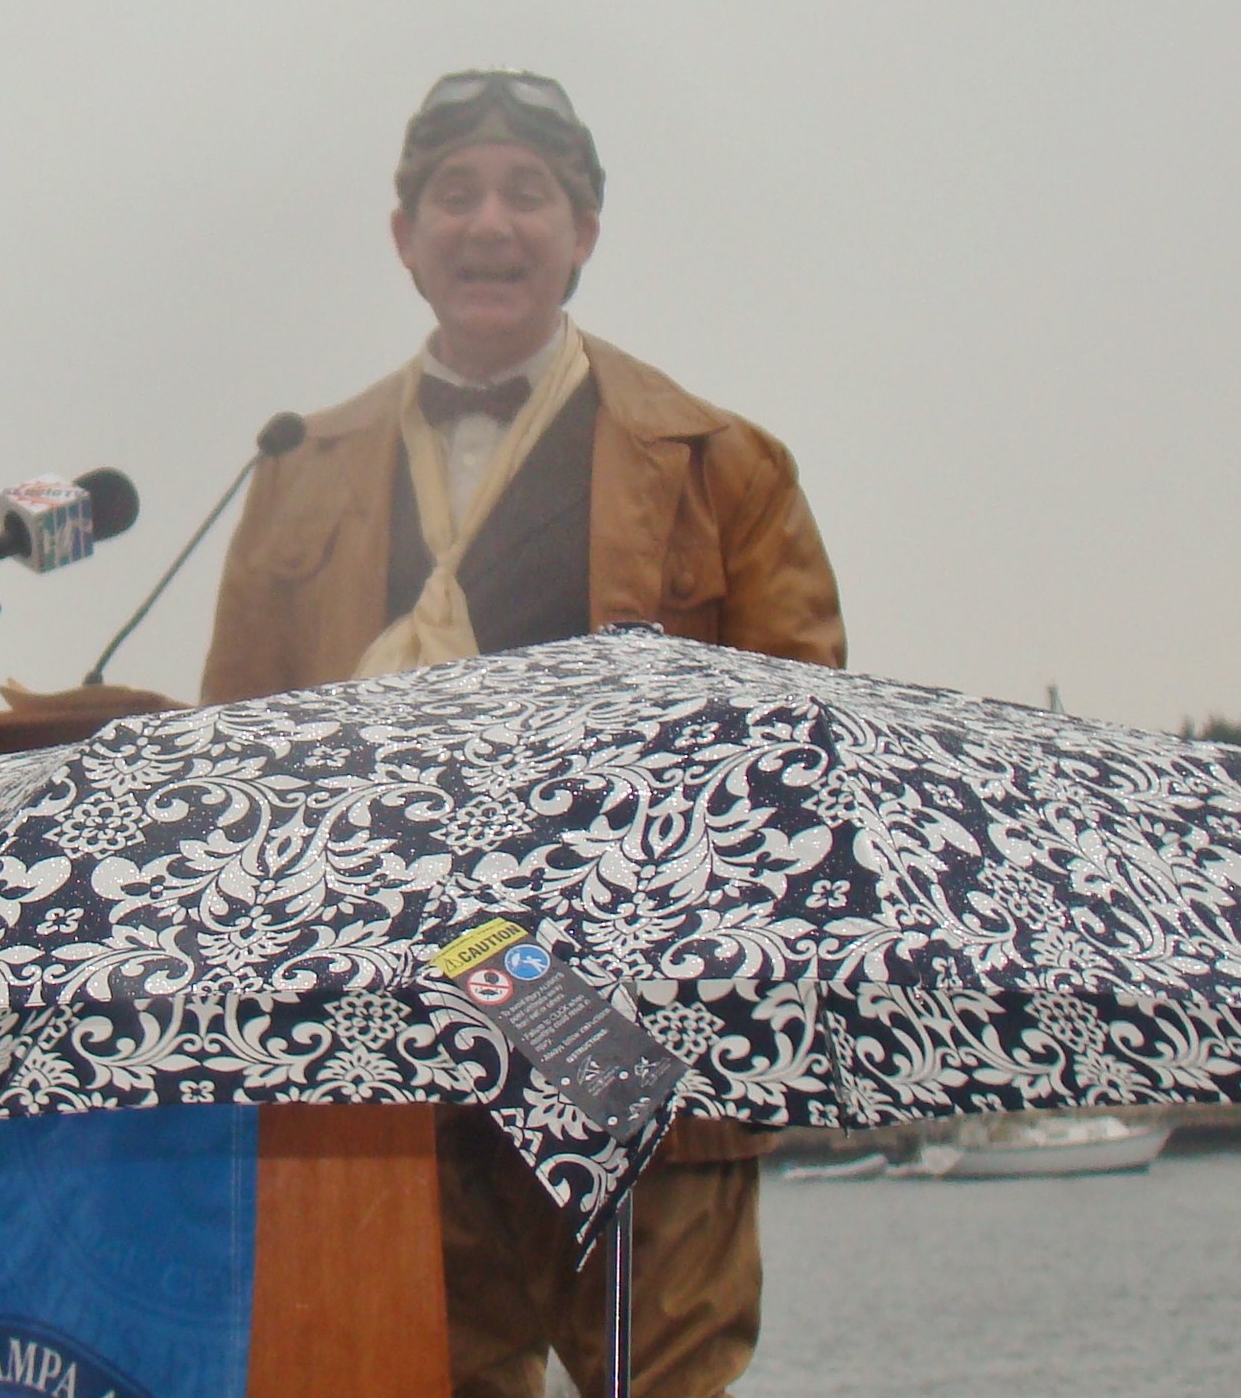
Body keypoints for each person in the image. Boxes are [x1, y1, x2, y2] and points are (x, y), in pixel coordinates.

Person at [200, 69, 845, 1398]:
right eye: (455, 195)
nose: (490, 223)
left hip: (633, 1035)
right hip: (390, 1061)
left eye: (527, 194)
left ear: (585, 231)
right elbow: (231, 771)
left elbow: (801, 769)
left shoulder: (723, 464)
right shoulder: (293, 470)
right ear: (404, 236)